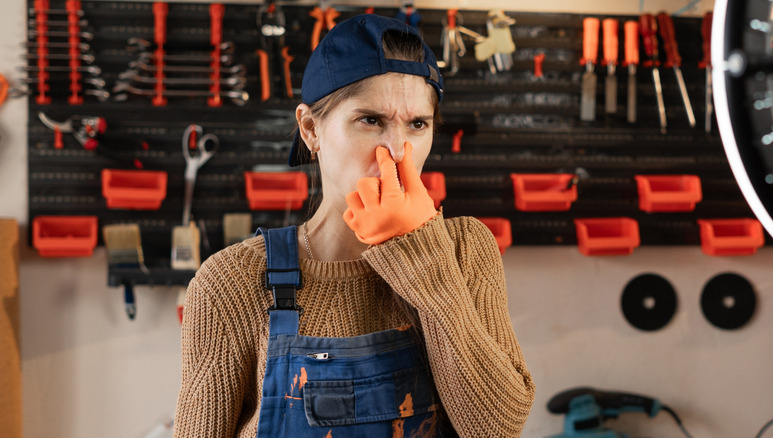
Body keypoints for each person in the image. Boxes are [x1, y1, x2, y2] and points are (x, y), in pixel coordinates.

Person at [174, 13, 534, 438]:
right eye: (371, 120)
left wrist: (423, 255)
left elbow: (498, 429)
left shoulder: (466, 251)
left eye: (418, 124)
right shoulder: (230, 284)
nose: (397, 151)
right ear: (310, 128)